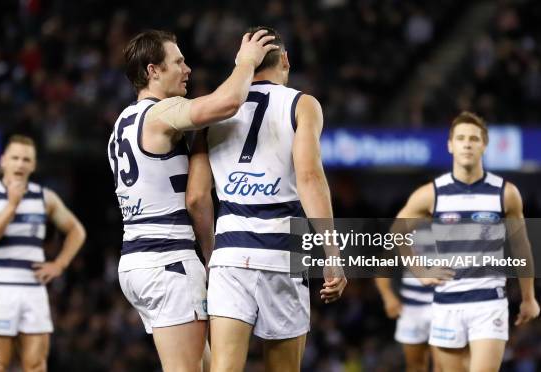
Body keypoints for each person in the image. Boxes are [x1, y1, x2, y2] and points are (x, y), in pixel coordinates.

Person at [109, 29, 278, 372]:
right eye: (178, 61)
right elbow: (227, 103)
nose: (187, 69)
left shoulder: (121, 123)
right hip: (168, 262)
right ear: (152, 70)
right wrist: (246, 62)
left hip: (136, 262)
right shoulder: (161, 113)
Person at [186, 26, 347, 372]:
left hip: (231, 253)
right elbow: (309, 178)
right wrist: (332, 254)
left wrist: (215, 255)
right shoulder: (302, 104)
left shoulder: (214, 108)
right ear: (285, 60)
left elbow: (197, 197)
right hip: (282, 252)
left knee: (224, 367)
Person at [390, 111, 539, 371]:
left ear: (484, 145)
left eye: (473, 138)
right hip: (447, 304)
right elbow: (396, 232)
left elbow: (521, 247)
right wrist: (420, 271)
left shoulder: (506, 193)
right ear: (450, 145)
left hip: (489, 303)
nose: (467, 143)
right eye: (460, 138)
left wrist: (529, 297)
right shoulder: (431, 194)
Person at [0, 135, 86, 372]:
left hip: (33, 289)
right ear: (3, 161)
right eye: (15, 158)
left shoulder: (45, 198)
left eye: (26, 159)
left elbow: (76, 231)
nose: (20, 164)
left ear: (33, 165)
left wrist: (60, 264)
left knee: (35, 365)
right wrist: (12, 205)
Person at [375, 228, 439, 372]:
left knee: (442, 366)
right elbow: (383, 270)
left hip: (443, 306)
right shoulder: (404, 229)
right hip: (411, 310)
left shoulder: (452, 224)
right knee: (414, 366)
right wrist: (388, 298)